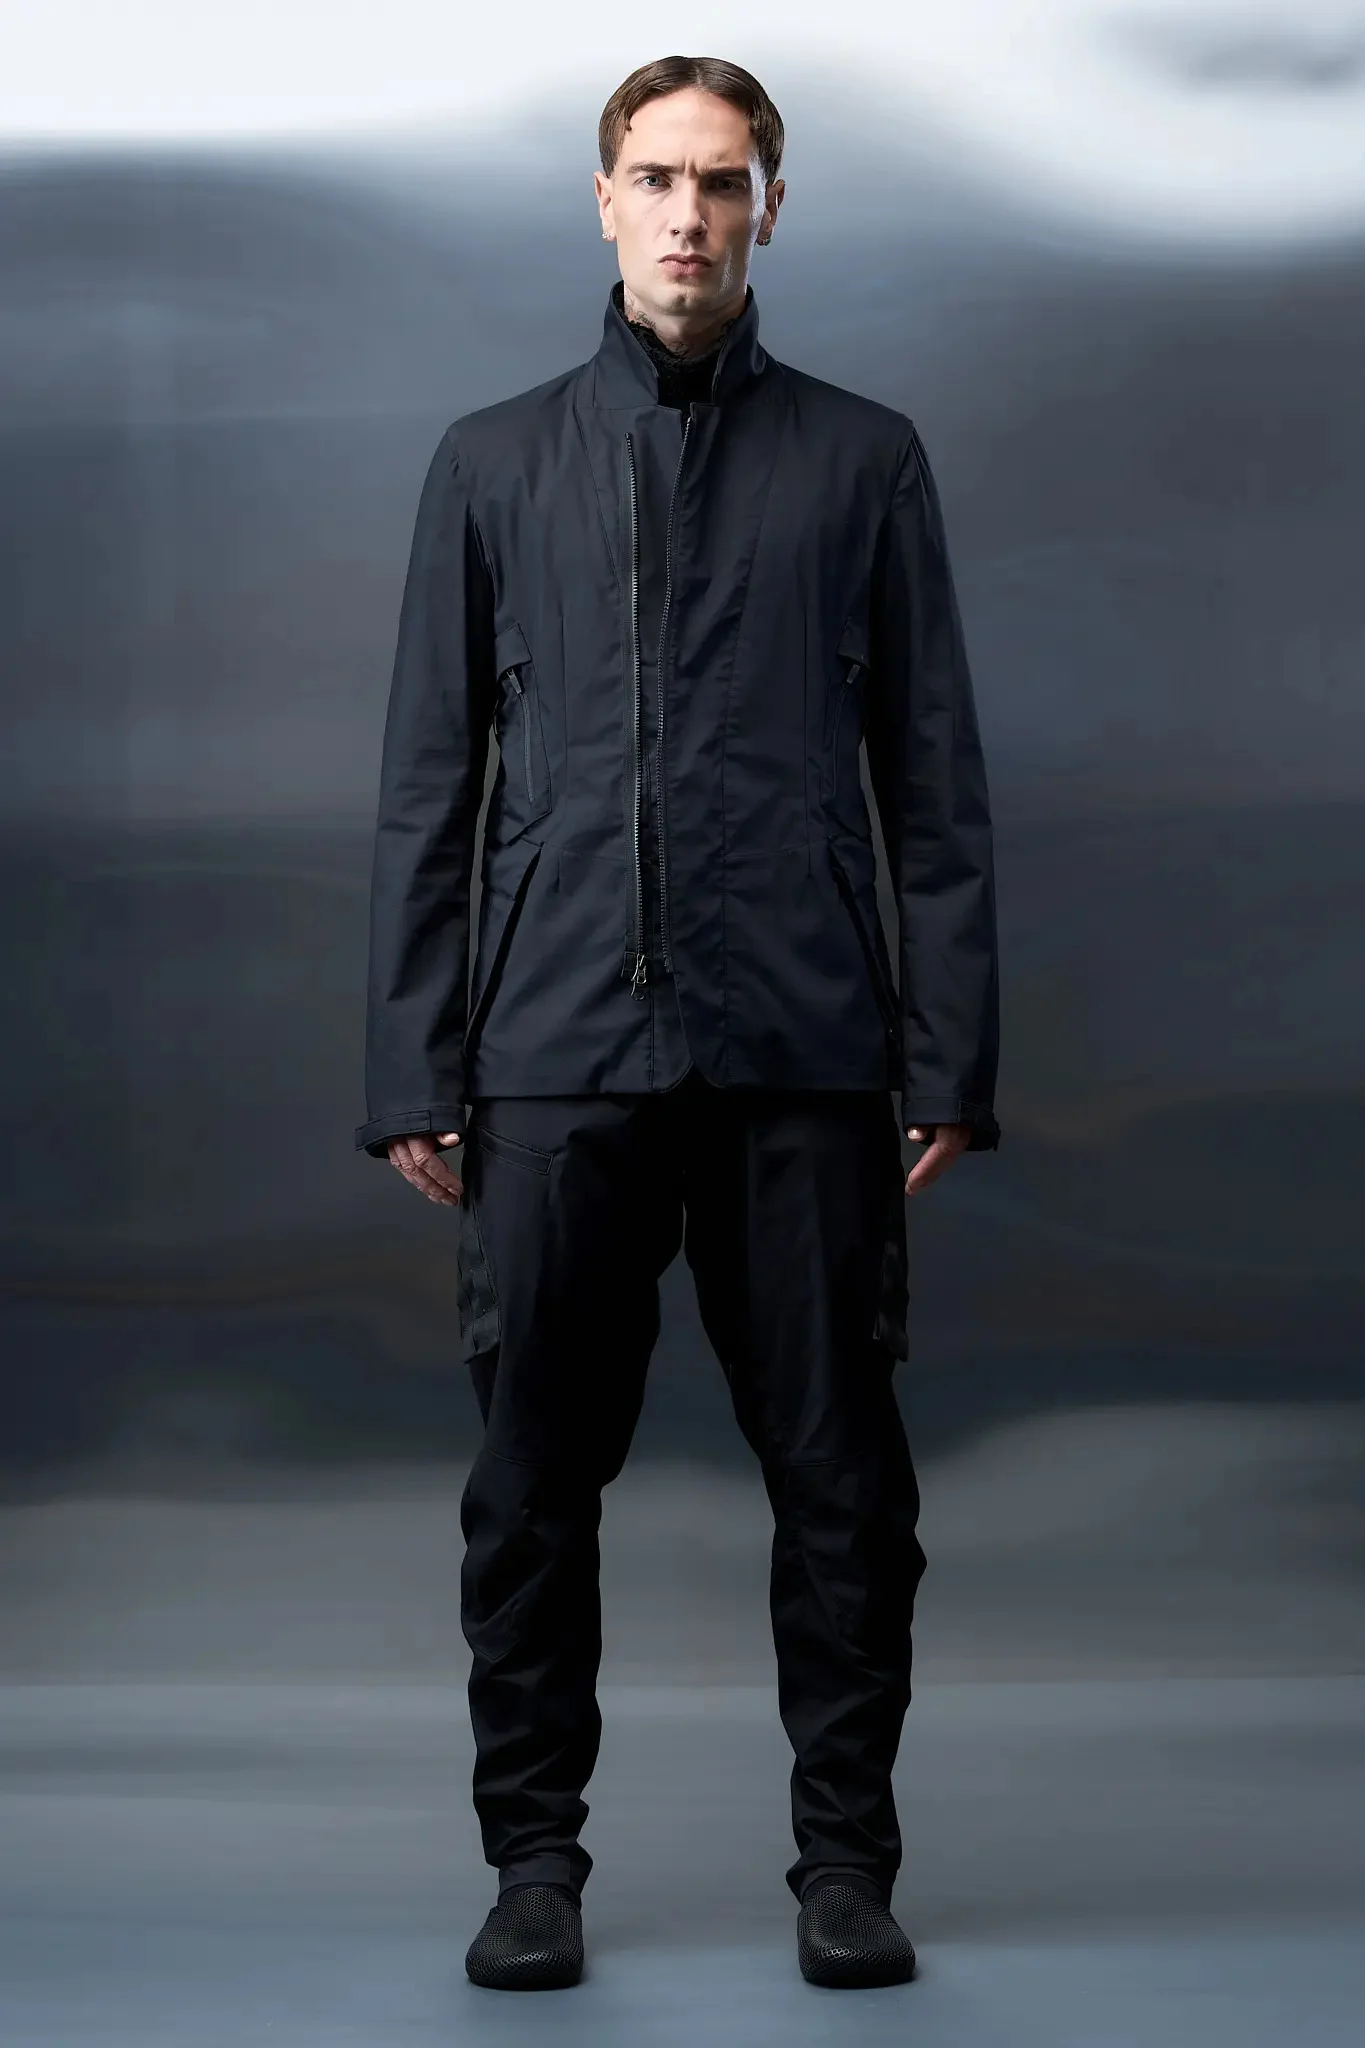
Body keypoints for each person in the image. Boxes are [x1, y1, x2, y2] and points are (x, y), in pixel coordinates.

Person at [354, 53, 1000, 1993]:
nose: (689, 215)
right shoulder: (491, 463)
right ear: (604, 199)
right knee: (530, 1492)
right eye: (656, 178)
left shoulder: (864, 460)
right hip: (552, 1054)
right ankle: (533, 1866)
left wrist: (946, 1054)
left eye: (724, 182)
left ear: (771, 207)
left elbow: (933, 781)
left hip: (804, 1052)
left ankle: (843, 1867)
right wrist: (413, 1058)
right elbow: (426, 784)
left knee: (846, 1487)